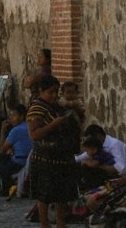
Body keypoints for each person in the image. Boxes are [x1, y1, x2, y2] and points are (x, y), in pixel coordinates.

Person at [23, 74, 81, 228]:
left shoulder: (56, 106)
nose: (54, 95)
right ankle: (45, 224)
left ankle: (61, 223)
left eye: (56, 92)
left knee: (61, 194)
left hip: (61, 157)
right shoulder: (36, 108)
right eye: (51, 92)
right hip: (45, 158)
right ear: (41, 91)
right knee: (44, 195)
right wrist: (54, 124)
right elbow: (34, 134)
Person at [75, 123, 126, 187]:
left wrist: (99, 166)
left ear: (99, 136)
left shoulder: (114, 144)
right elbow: (82, 156)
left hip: (123, 180)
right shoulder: (97, 148)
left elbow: (121, 168)